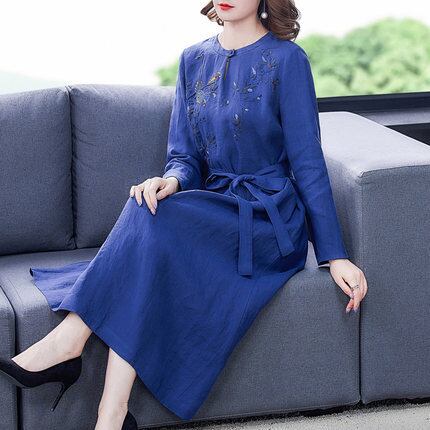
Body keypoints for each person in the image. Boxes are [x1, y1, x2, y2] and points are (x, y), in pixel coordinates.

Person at [0, 1, 368, 429]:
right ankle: (111, 415)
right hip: (217, 207)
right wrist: (171, 180)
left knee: (154, 231)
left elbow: (307, 162)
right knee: (147, 204)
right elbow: (185, 156)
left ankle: (69, 344)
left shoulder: (288, 60)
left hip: (268, 221)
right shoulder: (193, 59)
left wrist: (334, 254)